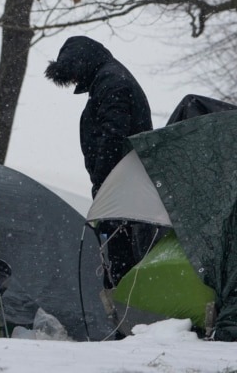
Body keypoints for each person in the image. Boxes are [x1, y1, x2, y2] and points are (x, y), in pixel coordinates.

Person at [44, 36, 159, 288]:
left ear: (80, 64)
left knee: (120, 256)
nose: (74, 82)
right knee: (120, 251)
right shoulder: (109, 78)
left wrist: (101, 180)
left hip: (119, 185)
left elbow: (113, 136)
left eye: (72, 75)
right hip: (123, 181)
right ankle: (126, 307)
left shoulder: (111, 82)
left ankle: (125, 310)